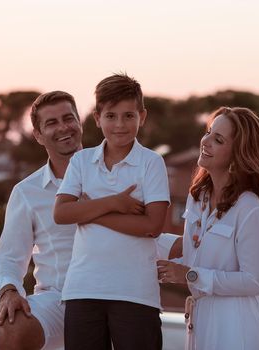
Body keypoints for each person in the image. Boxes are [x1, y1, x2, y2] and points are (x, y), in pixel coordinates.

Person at [0, 90, 179, 350]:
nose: (63, 128)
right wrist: (9, 291)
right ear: (38, 135)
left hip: (118, 284)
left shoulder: (122, 167)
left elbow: (145, 230)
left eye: (69, 118)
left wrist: (198, 246)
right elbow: (8, 258)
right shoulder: (26, 192)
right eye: (51, 123)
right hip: (57, 299)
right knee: (9, 329)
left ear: (81, 122)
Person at [54, 73, 170, 350]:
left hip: (135, 293)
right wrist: (114, 203)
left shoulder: (151, 163)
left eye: (129, 116)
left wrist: (91, 210)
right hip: (82, 289)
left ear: (142, 116)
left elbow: (152, 226)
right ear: (97, 118)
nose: (120, 125)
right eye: (111, 116)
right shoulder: (82, 161)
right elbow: (61, 214)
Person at [156, 106, 259, 350]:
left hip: (236, 325)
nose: (206, 141)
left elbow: (255, 280)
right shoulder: (198, 196)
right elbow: (193, 246)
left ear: (237, 155)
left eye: (218, 139)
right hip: (202, 318)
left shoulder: (249, 207)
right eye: (209, 132)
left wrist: (190, 275)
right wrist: (137, 238)